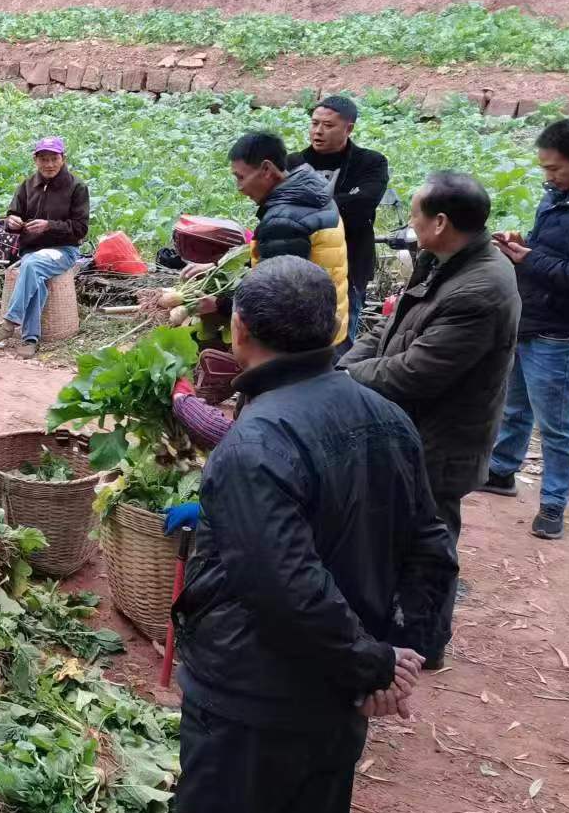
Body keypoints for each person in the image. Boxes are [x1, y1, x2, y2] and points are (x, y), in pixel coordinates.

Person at [165, 257, 455, 813]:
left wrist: (375, 665)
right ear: (333, 329)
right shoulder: (384, 416)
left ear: (242, 332)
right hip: (332, 709)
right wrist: (398, 655)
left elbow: (288, 592)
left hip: (251, 705)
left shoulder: (254, 442)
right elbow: (433, 546)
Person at [339, 174, 519, 663]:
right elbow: (387, 324)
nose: (409, 221)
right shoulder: (441, 261)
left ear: (440, 222)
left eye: (415, 212)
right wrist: (346, 365)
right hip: (412, 430)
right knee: (400, 534)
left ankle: (425, 646)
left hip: (441, 443)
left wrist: (346, 380)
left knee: (430, 546)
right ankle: (395, 628)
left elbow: (415, 373)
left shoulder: (480, 289)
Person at [481, 118, 569, 541]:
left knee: (558, 425)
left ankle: (554, 504)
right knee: (514, 405)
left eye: (554, 169)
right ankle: (502, 472)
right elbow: (552, 252)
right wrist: (520, 243)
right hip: (532, 317)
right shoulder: (564, 195)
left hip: (562, 331)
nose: (548, 177)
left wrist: (527, 259)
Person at [187, 131, 349, 341]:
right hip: (329, 324)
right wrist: (218, 267)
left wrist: (218, 305)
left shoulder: (284, 221)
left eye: (241, 177)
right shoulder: (311, 191)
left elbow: (276, 297)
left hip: (304, 339)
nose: (240, 188)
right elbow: (276, 254)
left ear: (266, 169)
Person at [298, 95, 388, 340]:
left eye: (328, 126)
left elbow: (362, 207)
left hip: (349, 268)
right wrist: (340, 203)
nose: (318, 131)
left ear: (349, 128)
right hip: (299, 267)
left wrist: (304, 207)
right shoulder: (294, 163)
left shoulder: (371, 163)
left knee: (340, 341)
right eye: (314, 123)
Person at [0, 136, 90, 351]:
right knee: (32, 268)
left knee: (33, 265)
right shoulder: (27, 186)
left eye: (54, 159)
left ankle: (10, 322)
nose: (49, 165)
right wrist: (12, 221)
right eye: (43, 159)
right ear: (35, 160)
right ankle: (30, 340)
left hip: (63, 250)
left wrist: (49, 226)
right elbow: (11, 217)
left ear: (62, 159)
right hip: (31, 250)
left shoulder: (77, 188)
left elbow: (80, 229)